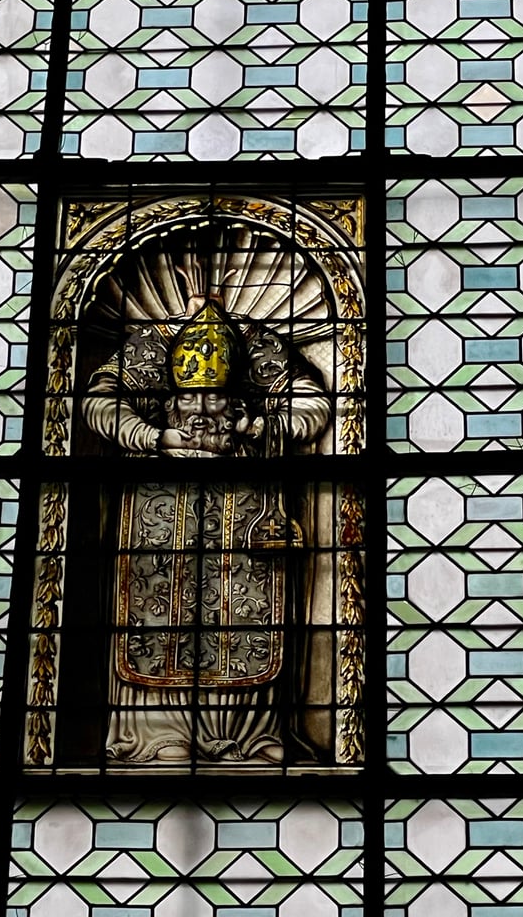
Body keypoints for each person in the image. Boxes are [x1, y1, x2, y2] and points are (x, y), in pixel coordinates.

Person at [82, 293, 330, 763]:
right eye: (188, 396)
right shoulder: (153, 343)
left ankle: (252, 734)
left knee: (246, 616)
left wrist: (260, 428)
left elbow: (314, 406)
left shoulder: (255, 344)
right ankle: (157, 735)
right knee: (156, 618)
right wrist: (153, 437)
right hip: (156, 507)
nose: (200, 408)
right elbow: (97, 405)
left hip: (244, 508)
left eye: (213, 396)